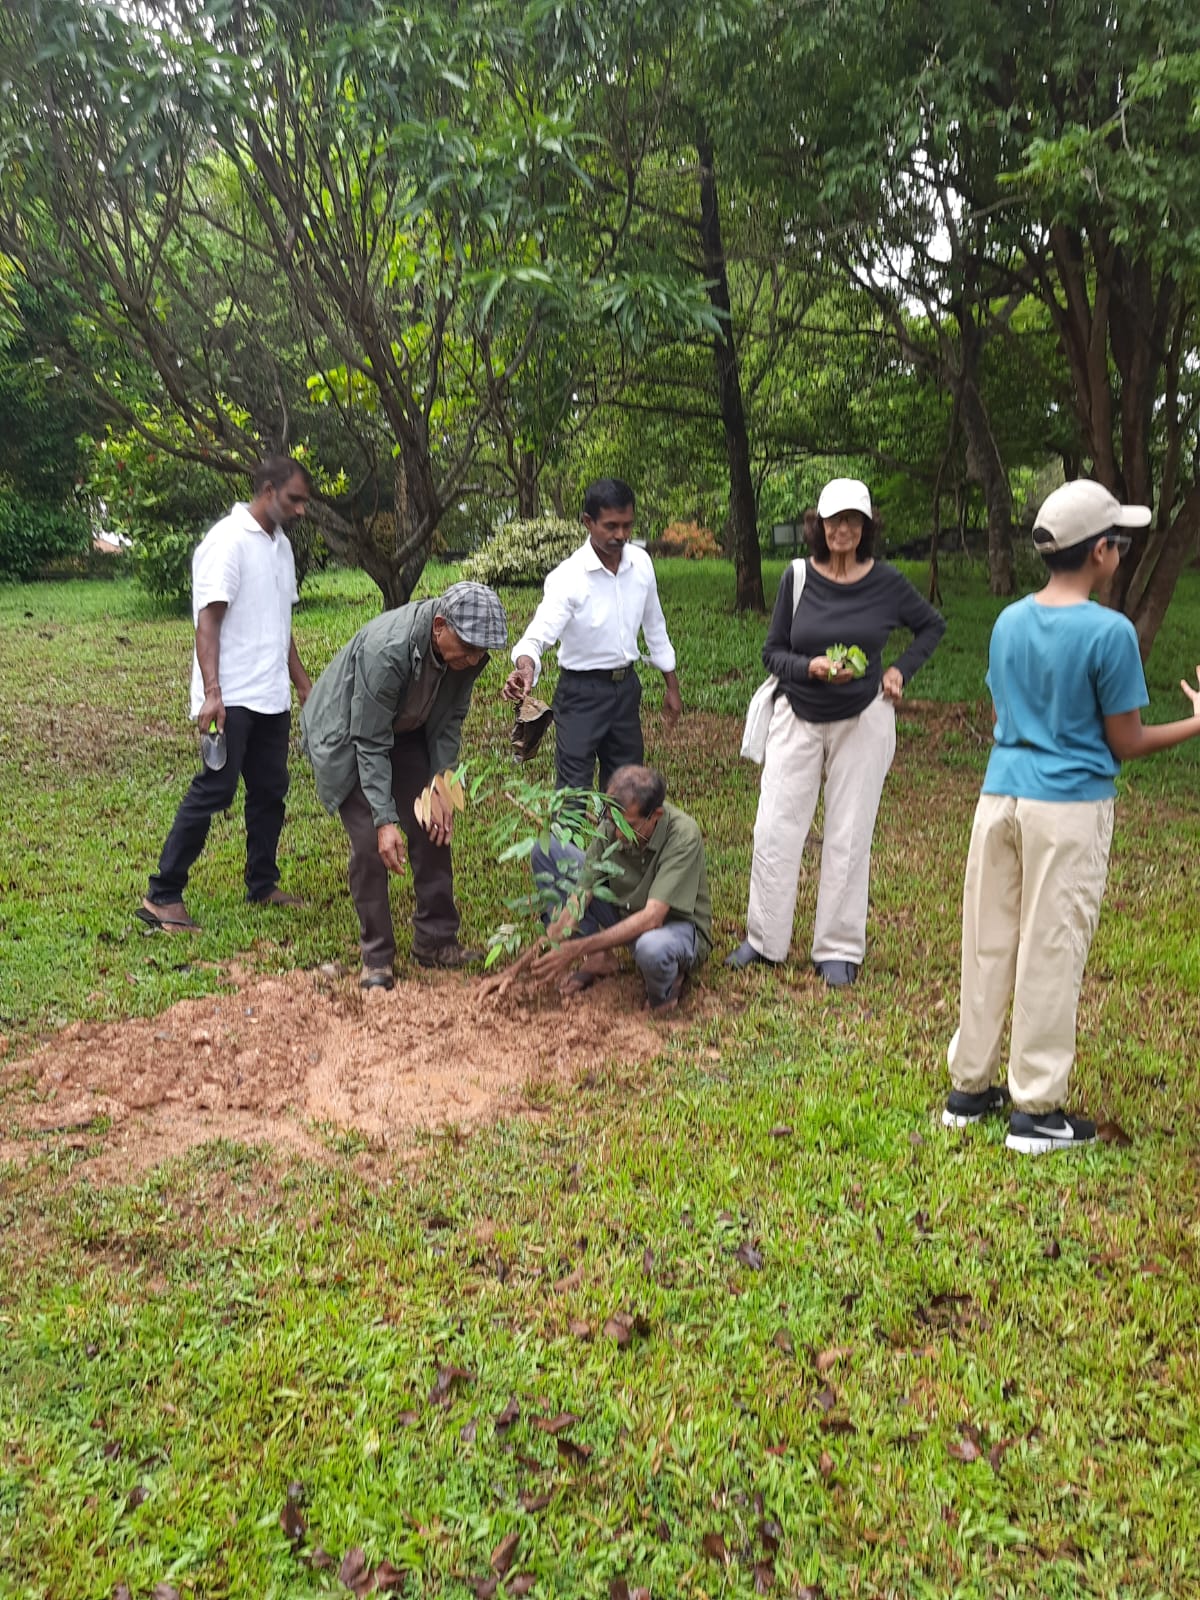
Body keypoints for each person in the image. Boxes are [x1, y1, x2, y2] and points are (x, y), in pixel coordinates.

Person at [943, 480, 1200, 1155]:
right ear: (1100, 552)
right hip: (1068, 808)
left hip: (999, 799)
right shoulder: (1110, 633)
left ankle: (969, 1090)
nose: (1120, 552)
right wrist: (1197, 722)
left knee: (987, 940)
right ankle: (1036, 1112)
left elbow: (1001, 712)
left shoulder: (1008, 621)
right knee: (1051, 947)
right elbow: (1127, 742)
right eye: (1119, 542)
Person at [726, 477, 946, 985]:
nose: (841, 529)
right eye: (832, 520)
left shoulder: (887, 582)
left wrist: (900, 671)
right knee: (775, 827)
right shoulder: (798, 577)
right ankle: (763, 939)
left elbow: (931, 626)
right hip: (798, 713)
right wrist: (810, 667)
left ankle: (838, 948)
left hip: (863, 718)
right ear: (818, 525)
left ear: (865, 527)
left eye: (852, 520)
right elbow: (772, 652)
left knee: (849, 832)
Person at [301, 581, 508, 988]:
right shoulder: (387, 650)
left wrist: (441, 786)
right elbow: (369, 740)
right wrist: (384, 819)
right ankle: (377, 957)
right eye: (468, 649)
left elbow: (449, 723)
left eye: (482, 652)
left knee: (434, 823)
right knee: (370, 842)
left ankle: (435, 941)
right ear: (439, 626)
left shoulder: (467, 654)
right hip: (349, 734)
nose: (475, 660)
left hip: (405, 728)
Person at [138, 457, 313, 933]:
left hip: (270, 693)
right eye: (294, 499)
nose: (301, 510)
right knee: (215, 789)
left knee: (270, 790)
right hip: (230, 695)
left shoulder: (280, 546)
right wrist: (212, 693)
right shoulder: (227, 541)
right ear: (268, 490)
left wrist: (302, 684)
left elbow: (280, 623)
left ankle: (262, 884)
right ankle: (163, 894)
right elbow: (208, 622)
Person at [503, 478, 682, 790]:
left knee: (626, 790)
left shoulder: (641, 564)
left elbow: (655, 626)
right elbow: (538, 634)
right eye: (611, 526)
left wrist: (672, 686)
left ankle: (614, 827)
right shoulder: (569, 577)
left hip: (626, 690)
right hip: (580, 694)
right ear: (588, 522)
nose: (621, 535)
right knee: (572, 791)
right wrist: (526, 666)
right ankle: (573, 826)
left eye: (627, 525)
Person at [529, 765, 710, 1012]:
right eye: (612, 821)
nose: (617, 833)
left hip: (673, 927)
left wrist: (576, 948)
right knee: (548, 850)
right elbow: (579, 897)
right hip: (627, 910)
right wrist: (532, 955)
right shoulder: (614, 824)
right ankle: (599, 959)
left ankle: (665, 992)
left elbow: (653, 918)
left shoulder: (683, 835)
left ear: (655, 815)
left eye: (628, 825)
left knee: (652, 948)